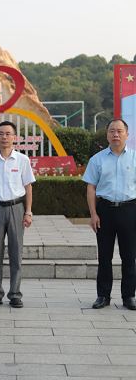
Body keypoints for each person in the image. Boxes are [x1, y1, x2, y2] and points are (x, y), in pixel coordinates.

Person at [0, 121, 35, 308]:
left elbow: (28, 187)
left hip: (16, 208)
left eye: (8, 133)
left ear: (15, 137)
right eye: (1, 133)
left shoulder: (22, 160)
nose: (4, 137)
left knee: (16, 253)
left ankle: (15, 294)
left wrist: (28, 212)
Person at [83, 118, 136, 310]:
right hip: (105, 210)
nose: (116, 134)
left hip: (130, 210)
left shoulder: (134, 158)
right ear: (107, 135)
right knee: (104, 256)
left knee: (129, 256)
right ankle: (103, 295)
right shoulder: (97, 159)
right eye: (112, 131)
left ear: (127, 135)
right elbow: (91, 187)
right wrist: (93, 213)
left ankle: (129, 296)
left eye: (120, 131)